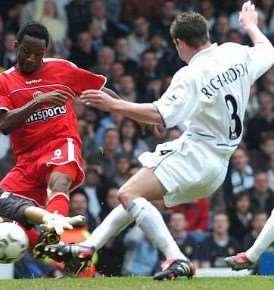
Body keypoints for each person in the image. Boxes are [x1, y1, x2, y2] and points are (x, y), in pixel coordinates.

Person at [44, 2, 274, 280]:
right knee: (134, 199)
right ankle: (87, 248)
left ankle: (176, 257)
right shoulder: (235, 53)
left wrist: (112, 105)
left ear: (179, 42)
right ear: (207, 34)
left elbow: (159, 114)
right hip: (218, 168)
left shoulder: (190, 74)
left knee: (128, 194)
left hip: (196, 155)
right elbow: (268, 51)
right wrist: (250, 26)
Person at [0, 22, 110, 250]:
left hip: (61, 144)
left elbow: (98, 93)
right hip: (26, 162)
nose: (32, 59)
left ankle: (54, 231)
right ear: (15, 46)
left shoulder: (62, 69)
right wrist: (38, 101)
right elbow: (4, 124)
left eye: (39, 54)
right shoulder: (2, 82)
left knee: (59, 182)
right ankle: (71, 257)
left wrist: (131, 110)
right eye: (26, 52)